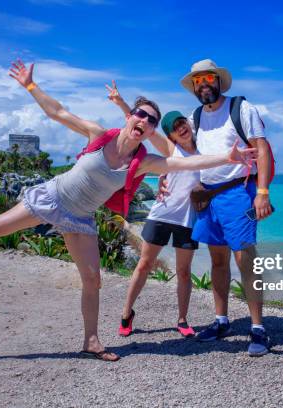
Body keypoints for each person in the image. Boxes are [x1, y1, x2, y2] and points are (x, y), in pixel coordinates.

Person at [0, 60, 257, 362]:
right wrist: (31, 87)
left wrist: (228, 156)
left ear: (148, 132)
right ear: (131, 118)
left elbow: (187, 166)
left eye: (149, 120)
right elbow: (59, 113)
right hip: (51, 199)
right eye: (140, 114)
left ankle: (92, 341)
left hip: (81, 218)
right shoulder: (99, 134)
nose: (143, 121)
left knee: (93, 280)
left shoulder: (143, 163)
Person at [177, 59, 274, 356]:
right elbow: (181, 149)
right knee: (217, 262)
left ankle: (258, 328)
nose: (203, 84)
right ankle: (222, 321)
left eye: (207, 78)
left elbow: (263, 149)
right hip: (208, 197)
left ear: (218, 80)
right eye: (197, 80)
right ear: (194, 87)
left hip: (238, 194)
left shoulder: (242, 109)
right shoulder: (195, 116)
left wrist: (262, 192)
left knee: (246, 259)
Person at [104, 81, 200, 337]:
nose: (181, 129)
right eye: (175, 129)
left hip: (188, 220)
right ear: (171, 135)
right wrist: (121, 102)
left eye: (183, 124)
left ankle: (182, 319)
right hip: (161, 215)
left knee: (183, 271)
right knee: (144, 265)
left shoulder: (204, 153)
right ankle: (126, 312)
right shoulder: (172, 150)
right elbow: (142, 123)